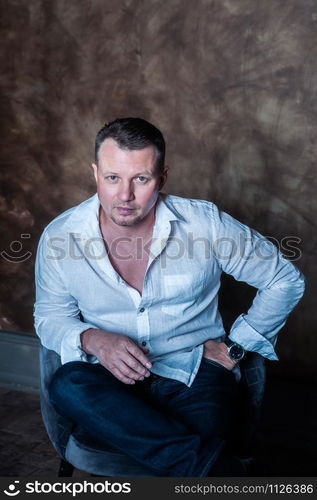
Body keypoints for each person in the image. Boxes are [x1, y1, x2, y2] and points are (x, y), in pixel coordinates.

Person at [34, 117, 305, 477]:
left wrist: (236, 346)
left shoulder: (204, 224)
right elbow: (50, 315)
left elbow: (284, 279)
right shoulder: (60, 236)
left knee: (201, 434)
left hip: (195, 372)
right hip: (108, 380)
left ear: (162, 178)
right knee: (68, 384)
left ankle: (213, 470)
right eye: (113, 178)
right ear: (95, 173)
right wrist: (92, 339)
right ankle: (229, 475)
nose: (125, 195)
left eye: (141, 179)